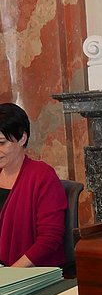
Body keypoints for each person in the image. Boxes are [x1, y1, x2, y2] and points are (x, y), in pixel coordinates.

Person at [0, 103, 67, 267]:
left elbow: (49, 238)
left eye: (1, 143)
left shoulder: (42, 176)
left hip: (30, 273)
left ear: (22, 138)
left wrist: (12, 273)